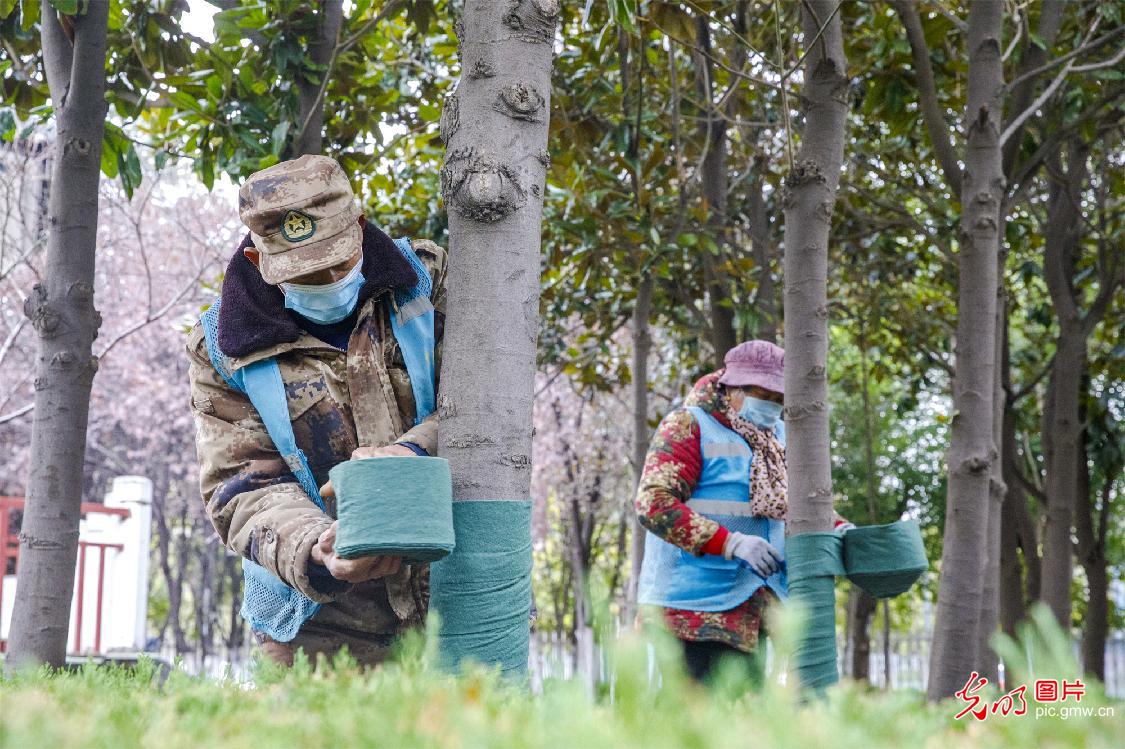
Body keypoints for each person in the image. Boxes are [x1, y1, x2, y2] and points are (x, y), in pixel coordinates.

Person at [187, 155, 446, 667]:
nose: (327, 281)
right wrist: (317, 550)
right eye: (304, 274)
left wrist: (412, 450)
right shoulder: (223, 347)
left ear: (360, 226)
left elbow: (485, 414)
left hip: (452, 600)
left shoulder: (430, 282)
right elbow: (242, 484)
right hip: (315, 623)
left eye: (338, 262)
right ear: (261, 264)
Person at [635, 340, 851, 683]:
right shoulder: (690, 426)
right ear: (731, 386)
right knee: (692, 725)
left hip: (756, 607)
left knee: (742, 721)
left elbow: (797, 504)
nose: (772, 405)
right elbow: (653, 503)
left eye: (779, 399)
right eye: (762, 395)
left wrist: (837, 527)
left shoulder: (780, 437)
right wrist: (730, 543)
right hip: (691, 609)